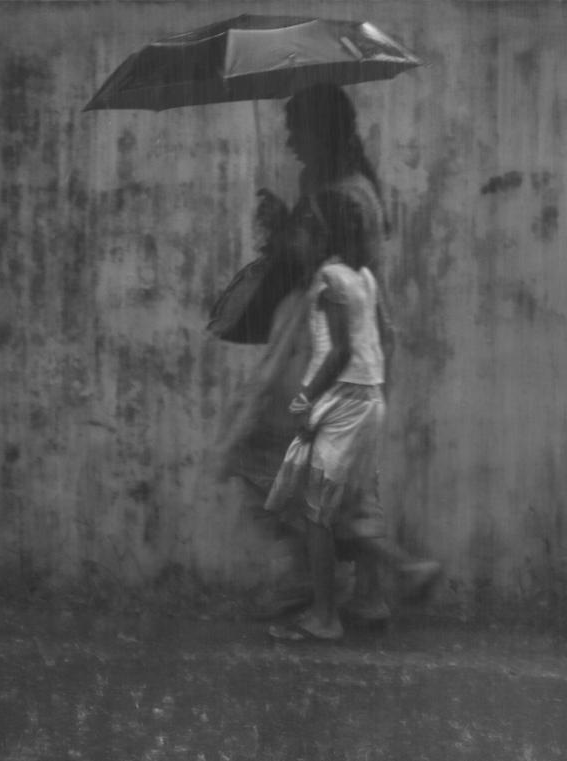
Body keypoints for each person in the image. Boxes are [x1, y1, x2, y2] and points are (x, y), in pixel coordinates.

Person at [212, 84, 422, 624]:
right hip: (346, 336)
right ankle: (357, 587)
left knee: (287, 455)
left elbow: (327, 269)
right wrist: (289, 225)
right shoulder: (335, 188)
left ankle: (374, 573)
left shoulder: (345, 196)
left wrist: (286, 231)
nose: (289, 140)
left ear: (321, 130)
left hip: (340, 340)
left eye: (296, 127)